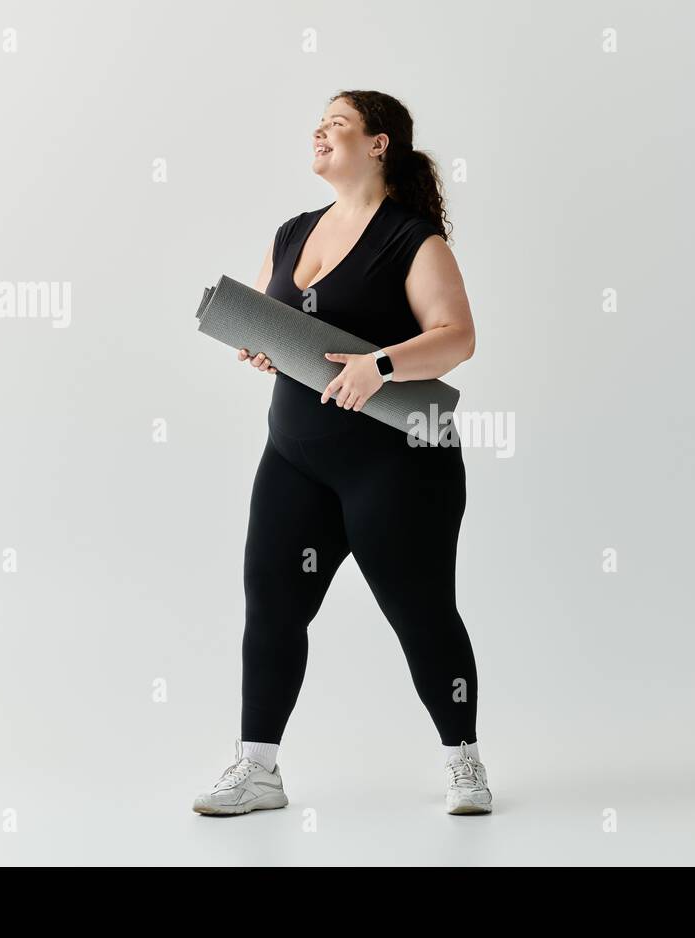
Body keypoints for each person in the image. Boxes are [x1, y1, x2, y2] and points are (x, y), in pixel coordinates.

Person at [193, 90, 491, 816]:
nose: (319, 131)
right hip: (296, 457)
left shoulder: (413, 239)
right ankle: (257, 769)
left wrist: (382, 365)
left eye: (338, 123)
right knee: (270, 605)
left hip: (398, 460)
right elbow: (282, 325)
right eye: (318, 123)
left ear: (379, 143)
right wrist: (262, 347)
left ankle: (466, 763)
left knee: (421, 613)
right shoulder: (292, 231)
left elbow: (457, 336)